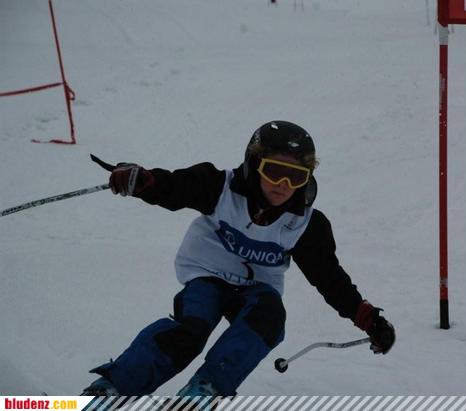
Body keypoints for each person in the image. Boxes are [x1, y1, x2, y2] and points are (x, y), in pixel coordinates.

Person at [82, 121, 395, 398]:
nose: (283, 185)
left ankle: (204, 391)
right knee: (192, 329)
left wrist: (367, 317)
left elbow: (329, 278)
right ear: (254, 164)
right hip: (208, 274)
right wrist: (142, 181)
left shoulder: (305, 224)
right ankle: (113, 388)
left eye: (296, 177)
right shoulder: (220, 188)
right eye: (274, 171)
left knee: (270, 318)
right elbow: (174, 188)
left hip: (256, 288)